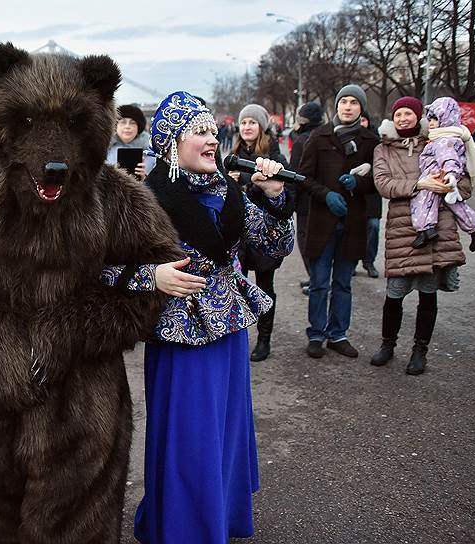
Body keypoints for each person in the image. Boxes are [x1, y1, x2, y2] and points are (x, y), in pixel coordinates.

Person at [122, 91, 294, 543]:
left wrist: (277, 199)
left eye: (210, 130)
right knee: (191, 438)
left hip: (231, 328)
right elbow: (99, 268)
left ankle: (222, 516)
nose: (211, 139)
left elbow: (274, 251)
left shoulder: (228, 189)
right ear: (172, 142)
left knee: (224, 431)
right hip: (181, 337)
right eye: (198, 131)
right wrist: (152, 276)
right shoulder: (145, 200)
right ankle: (185, 528)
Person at [370, 96, 473, 375]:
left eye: (409, 113)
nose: (404, 118)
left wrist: (445, 187)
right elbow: (383, 183)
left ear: (419, 116)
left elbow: (464, 184)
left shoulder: (441, 140)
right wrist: (420, 184)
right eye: (399, 114)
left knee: (428, 293)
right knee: (394, 294)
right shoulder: (384, 148)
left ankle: (419, 351)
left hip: (435, 227)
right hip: (402, 228)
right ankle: (387, 345)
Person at [298, 84, 380, 359]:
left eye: (353, 103)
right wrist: (327, 194)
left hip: (353, 223)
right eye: (343, 101)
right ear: (336, 106)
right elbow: (304, 178)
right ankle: (317, 334)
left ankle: (338, 334)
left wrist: (359, 182)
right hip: (322, 222)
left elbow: (378, 181)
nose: (347, 107)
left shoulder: (370, 140)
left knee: (343, 283)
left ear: (361, 108)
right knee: (320, 281)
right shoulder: (320, 137)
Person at [227, 103, 294, 361]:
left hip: (265, 234)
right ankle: (239, 339)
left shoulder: (275, 158)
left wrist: (255, 188)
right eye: (243, 122)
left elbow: (287, 202)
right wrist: (231, 184)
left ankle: (264, 339)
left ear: (261, 126)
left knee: (265, 286)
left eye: (252, 122)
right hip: (238, 235)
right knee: (237, 286)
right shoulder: (232, 155)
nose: (246, 127)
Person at [409, 97, 475, 252]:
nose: (430, 122)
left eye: (435, 118)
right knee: (456, 204)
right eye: (429, 118)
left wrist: (451, 173)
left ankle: (426, 229)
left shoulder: (443, 139)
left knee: (422, 200)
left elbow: (449, 157)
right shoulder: (450, 136)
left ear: (445, 119)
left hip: (438, 176)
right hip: (444, 175)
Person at [290, 102, 324, 293]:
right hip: (322, 199)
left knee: (306, 243)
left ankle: (316, 281)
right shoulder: (325, 135)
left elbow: (294, 175)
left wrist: (289, 204)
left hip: (305, 202)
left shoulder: (302, 141)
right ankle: (317, 280)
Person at [105, 104, 156, 179]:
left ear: (138, 127)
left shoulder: (151, 153)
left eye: (133, 123)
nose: (127, 126)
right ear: (116, 126)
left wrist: (146, 178)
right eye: (123, 122)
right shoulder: (104, 150)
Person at [360, 113, 382, 278]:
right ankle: (351, 259)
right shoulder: (343, 138)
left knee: (373, 226)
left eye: (364, 120)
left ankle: (369, 261)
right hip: (352, 192)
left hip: (372, 192)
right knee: (351, 228)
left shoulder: (376, 141)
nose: (361, 123)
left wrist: (370, 171)